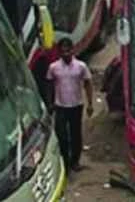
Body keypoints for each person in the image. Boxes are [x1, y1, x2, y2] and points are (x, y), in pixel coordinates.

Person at [46, 38, 94, 171]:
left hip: (76, 105)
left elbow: (88, 84)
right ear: (59, 53)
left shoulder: (81, 66)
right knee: (61, 134)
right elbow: (49, 85)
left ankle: (75, 162)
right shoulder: (53, 67)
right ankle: (65, 162)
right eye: (63, 51)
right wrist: (50, 103)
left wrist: (90, 104)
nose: (66, 54)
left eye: (68, 50)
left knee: (75, 135)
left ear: (72, 50)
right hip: (60, 106)